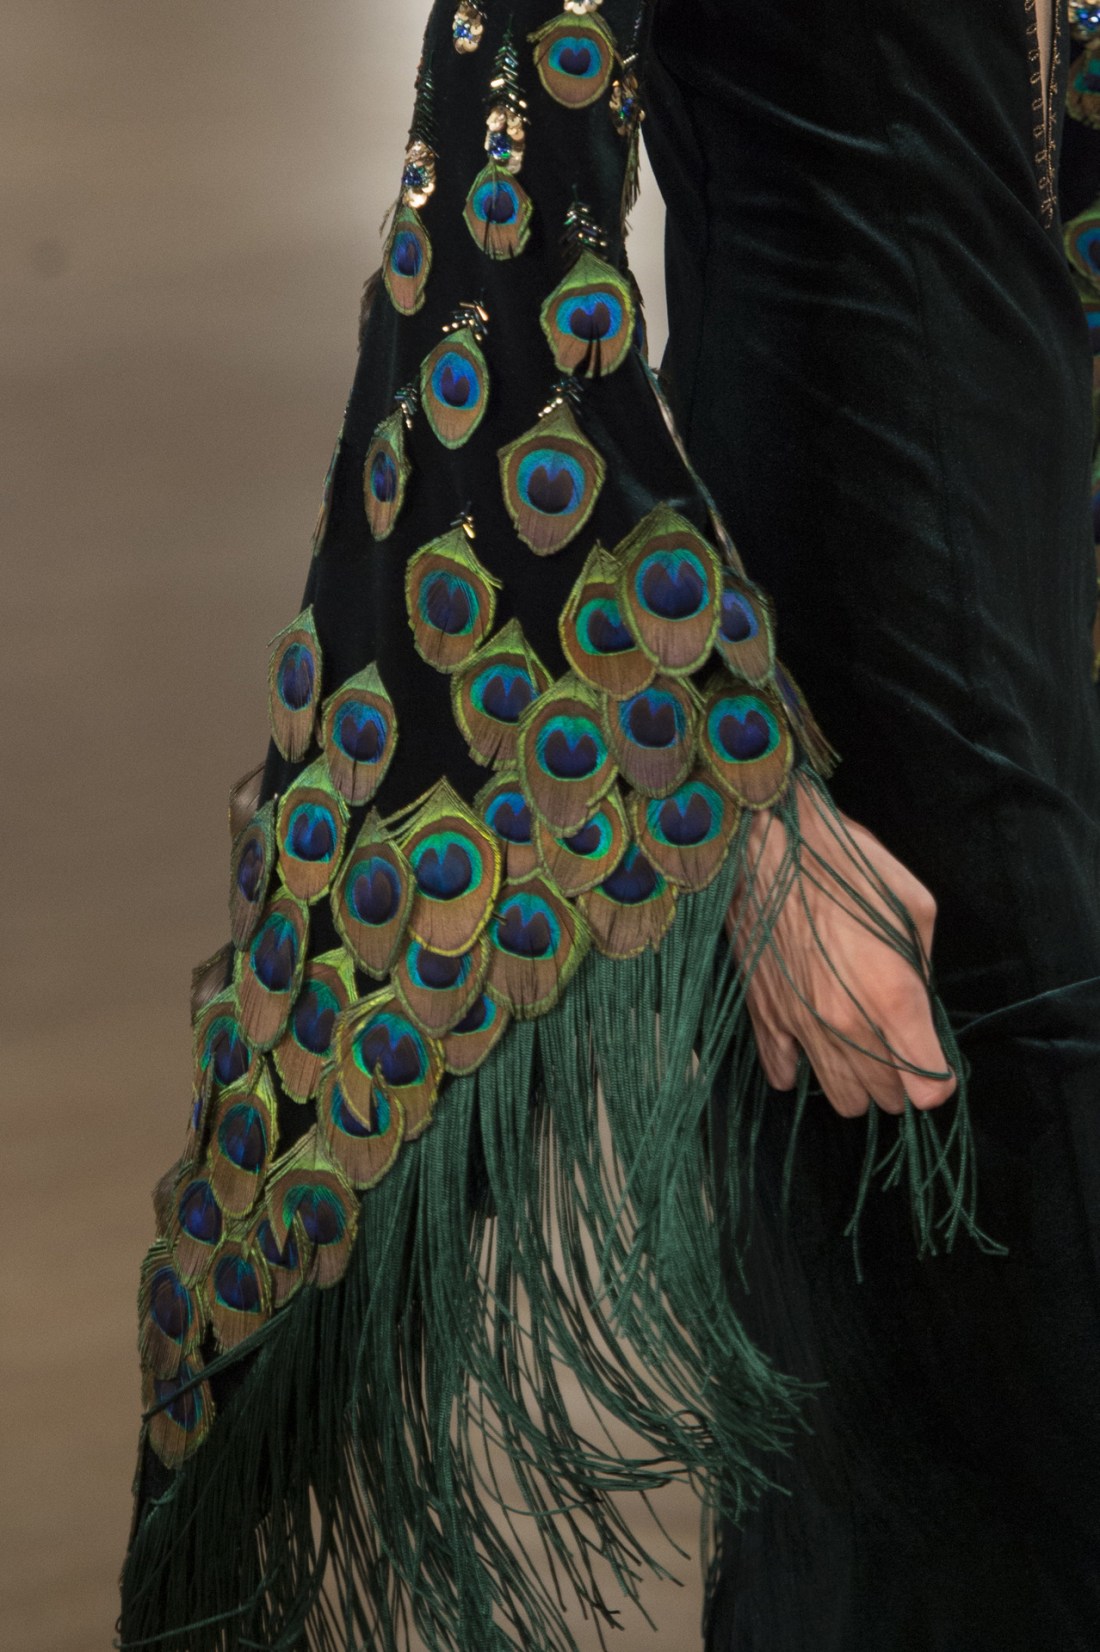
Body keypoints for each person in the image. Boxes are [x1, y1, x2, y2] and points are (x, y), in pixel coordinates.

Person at [118, 3, 1100, 1649]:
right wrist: (741, 805)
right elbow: (492, 254)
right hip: (866, 702)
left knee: (937, 1477)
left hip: (1045, 634)